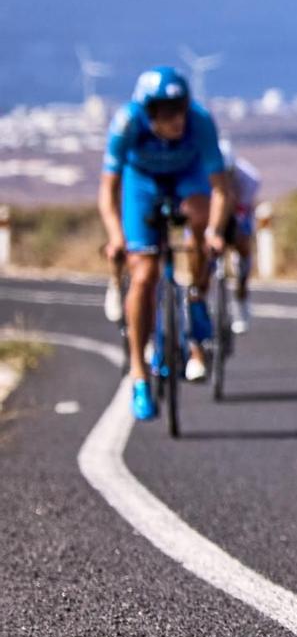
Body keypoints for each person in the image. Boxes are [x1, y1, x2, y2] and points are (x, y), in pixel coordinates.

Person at [97, 66, 233, 420]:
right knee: (143, 273)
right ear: (148, 111)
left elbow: (220, 188)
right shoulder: (127, 124)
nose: (176, 120)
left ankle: (196, 294)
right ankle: (139, 374)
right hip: (141, 182)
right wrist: (116, 237)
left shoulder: (200, 122)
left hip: (187, 177)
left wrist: (215, 232)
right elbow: (108, 191)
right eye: (166, 112)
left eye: (180, 109)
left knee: (201, 220)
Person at [217, 139, 261, 334]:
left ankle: (241, 293)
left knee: (242, 243)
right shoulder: (201, 174)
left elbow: (243, 213)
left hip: (237, 214)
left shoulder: (248, 178)